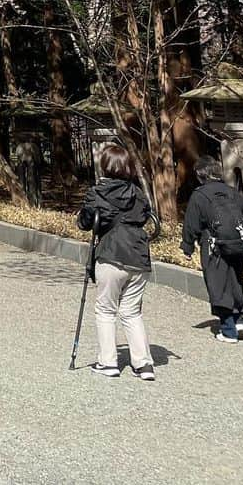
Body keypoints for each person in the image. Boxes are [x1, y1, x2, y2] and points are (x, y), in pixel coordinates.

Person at [77, 142, 158, 380]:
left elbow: (85, 222)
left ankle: (108, 362)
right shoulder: (138, 193)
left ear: (104, 166)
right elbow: (144, 217)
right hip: (138, 255)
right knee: (132, 311)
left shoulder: (97, 192)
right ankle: (143, 364)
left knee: (106, 309)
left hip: (111, 254)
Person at [181, 155, 243, 343]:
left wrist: (187, 247)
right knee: (236, 281)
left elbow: (191, 224)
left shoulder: (200, 195)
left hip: (214, 246)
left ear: (200, 175)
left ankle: (228, 330)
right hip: (239, 244)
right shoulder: (232, 192)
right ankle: (238, 318)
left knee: (218, 285)